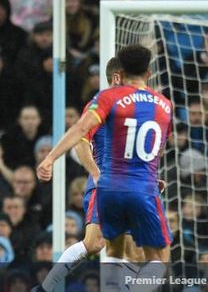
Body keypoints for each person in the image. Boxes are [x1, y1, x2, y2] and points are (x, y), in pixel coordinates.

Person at [37, 45, 173, 291]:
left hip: (111, 183)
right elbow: (155, 146)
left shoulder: (107, 99)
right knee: (156, 257)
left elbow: (79, 135)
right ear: (149, 73)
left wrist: (51, 159)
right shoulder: (163, 104)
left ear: (120, 76)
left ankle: (45, 288)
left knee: (99, 244)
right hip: (138, 187)